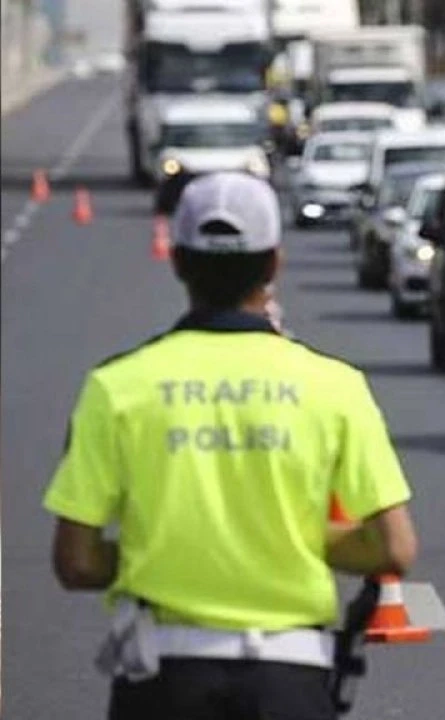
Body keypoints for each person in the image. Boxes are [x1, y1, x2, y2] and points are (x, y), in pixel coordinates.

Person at [43, 171, 418, 720]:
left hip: (164, 678)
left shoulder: (116, 387)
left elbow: (75, 561)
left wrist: (173, 549)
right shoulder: (334, 386)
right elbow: (394, 548)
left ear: (177, 260)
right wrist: (282, 539)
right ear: (273, 265)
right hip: (291, 678)